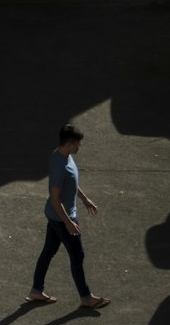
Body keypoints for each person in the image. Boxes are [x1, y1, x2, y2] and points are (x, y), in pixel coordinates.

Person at [27, 123, 110, 309]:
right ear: (70, 143)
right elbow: (55, 198)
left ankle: (36, 290)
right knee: (77, 255)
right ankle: (86, 297)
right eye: (78, 144)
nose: (79, 147)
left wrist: (85, 199)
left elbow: (71, 183)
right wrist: (69, 222)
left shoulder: (60, 155)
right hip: (62, 218)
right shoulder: (60, 166)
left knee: (48, 251)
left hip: (56, 217)